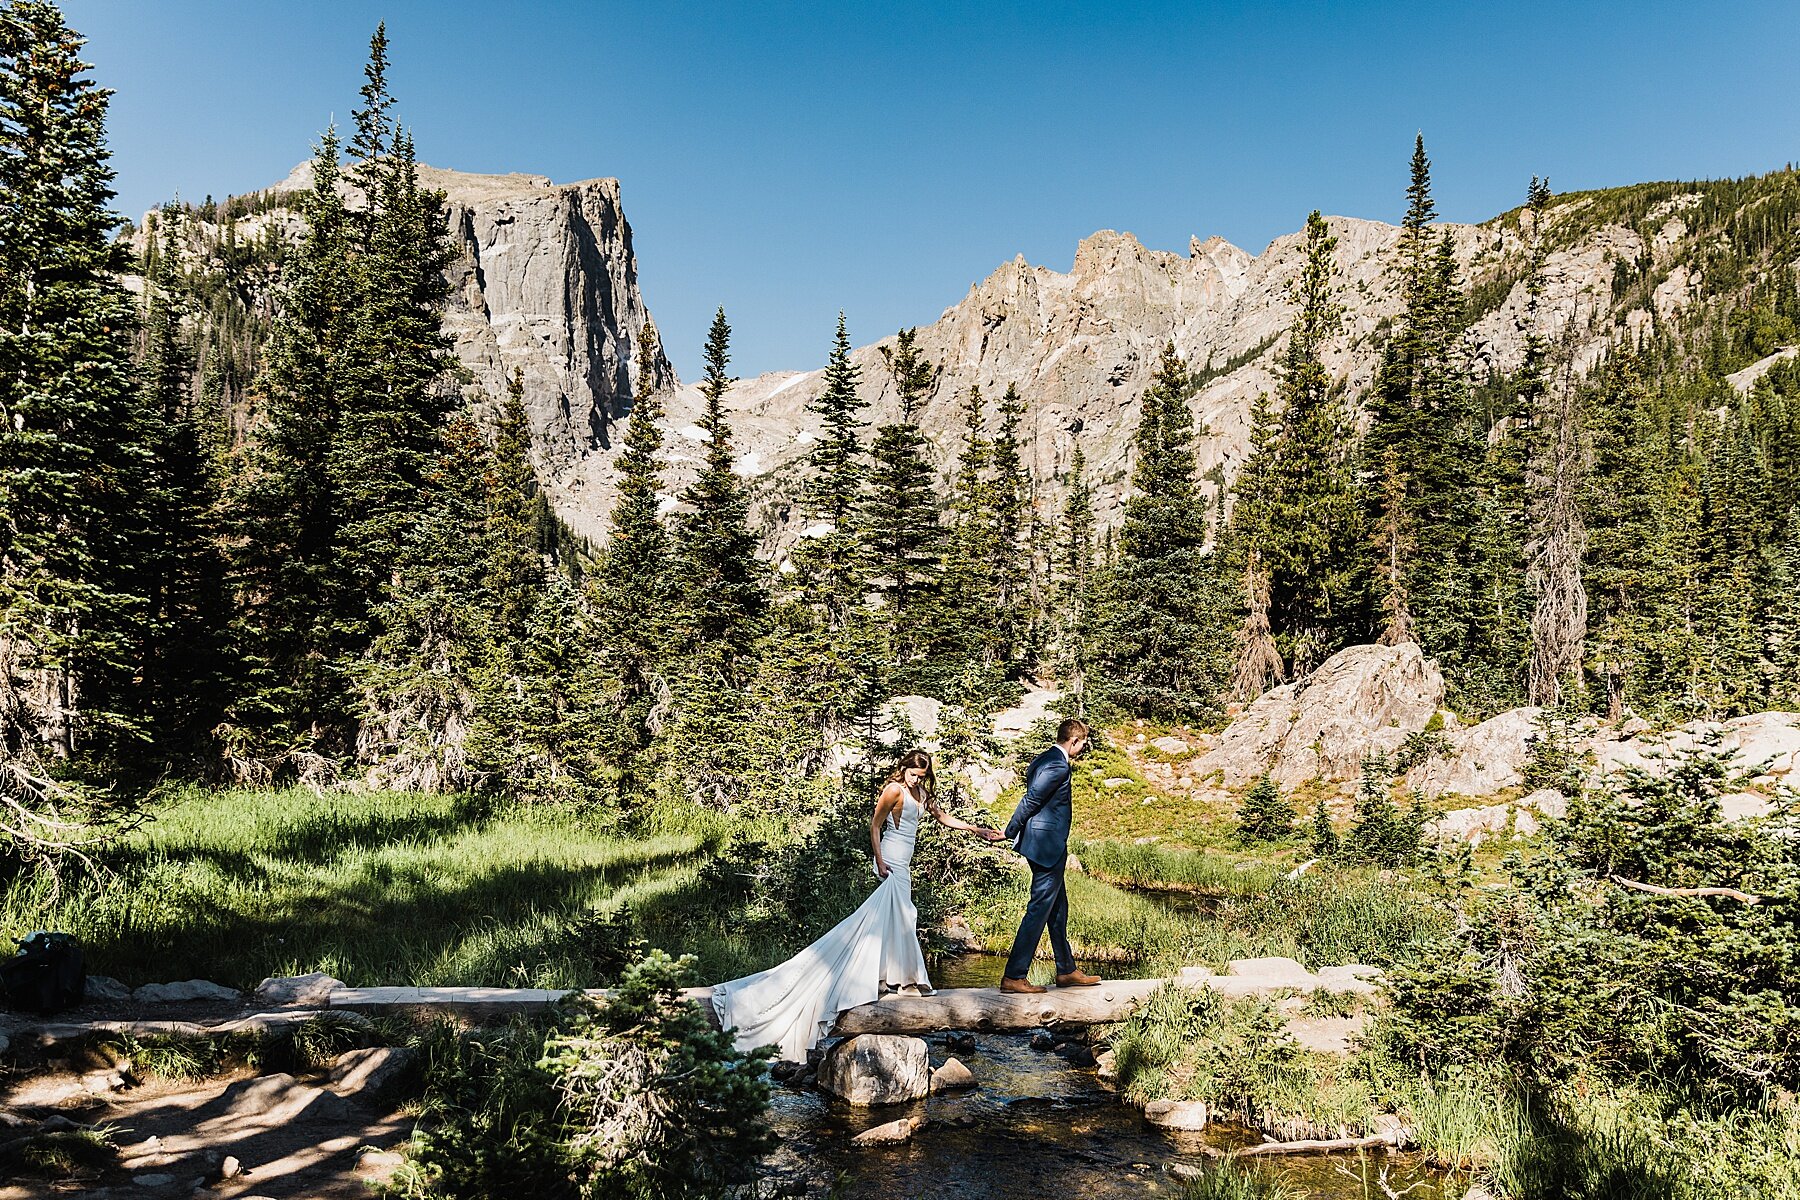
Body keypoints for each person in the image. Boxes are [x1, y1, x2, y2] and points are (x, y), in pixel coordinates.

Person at [711, 748, 1006, 1062]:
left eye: (921, 775)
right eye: (912, 773)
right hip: (891, 858)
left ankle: (890, 978)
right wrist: (879, 861)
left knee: (895, 917)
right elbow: (875, 826)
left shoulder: (922, 793)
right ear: (904, 768)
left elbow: (944, 818)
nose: (916, 778)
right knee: (902, 914)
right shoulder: (893, 790)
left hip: (904, 862)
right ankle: (902, 980)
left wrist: (976, 829)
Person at [1000, 717, 1103, 994]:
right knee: (1039, 910)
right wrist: (1009, 831)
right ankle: (1014, 975)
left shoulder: (1042, 758)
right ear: (1073, 741)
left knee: (1058, 909)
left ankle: (1066, 969)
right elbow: (1032, 799)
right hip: (1045, 846)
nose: (1082, 749)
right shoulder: (1057, 765)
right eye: (1082, 744)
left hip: (1045, 845)